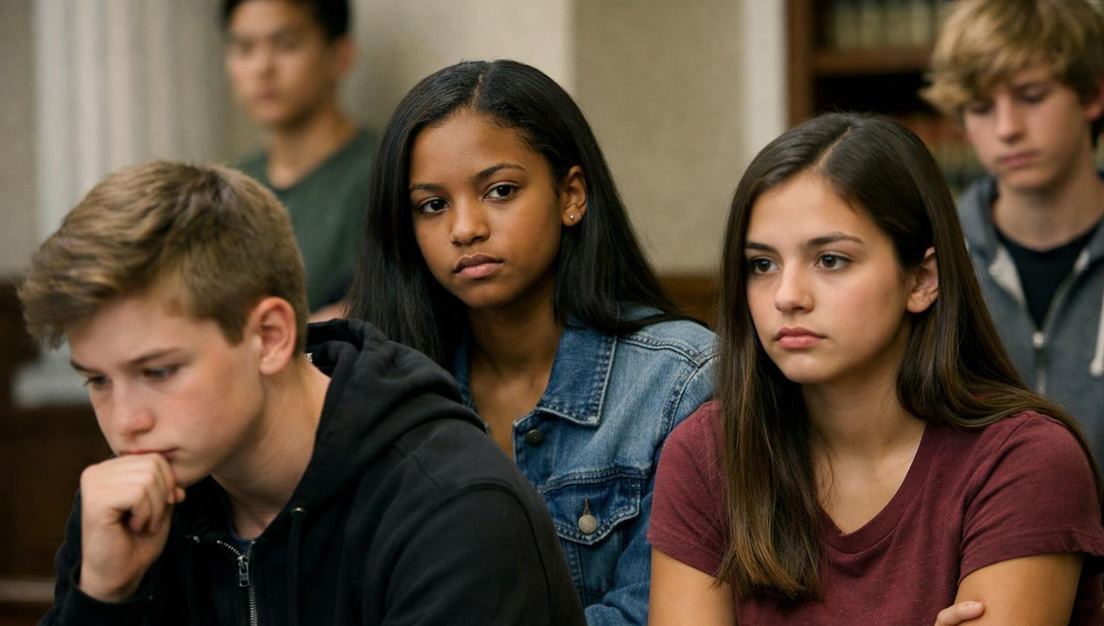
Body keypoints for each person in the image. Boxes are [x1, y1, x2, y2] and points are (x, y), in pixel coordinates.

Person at [21, 161, 586, 625]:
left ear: (269, 336)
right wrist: (102, 595)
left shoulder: (456, 511)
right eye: (97, 379)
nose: (125, 423)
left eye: (159, 372)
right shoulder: (126, 502)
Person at [646, 113, 1104, 624]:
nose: (787, 296)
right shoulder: (707, 453)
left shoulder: (1026, 461)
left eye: (830, 260)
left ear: (921, 280)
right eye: (763, 264)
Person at [347, 59, 717, 625]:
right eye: (432, 205)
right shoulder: (384, 393)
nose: (464, 228)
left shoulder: (679, 382)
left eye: (499, 190)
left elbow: (653, 616)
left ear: (571, 195)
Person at [921, 0, 1104, 594]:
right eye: (980, 107)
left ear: (1094, 97)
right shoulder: (927, 263)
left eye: (1032, 95)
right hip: (968, 592)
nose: (1007, 128)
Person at [223, 0, 377, 320]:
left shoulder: (384, 171)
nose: (262, 67)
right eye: (245, 48)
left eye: (286, 44)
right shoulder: (230, 187)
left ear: (340, 56)